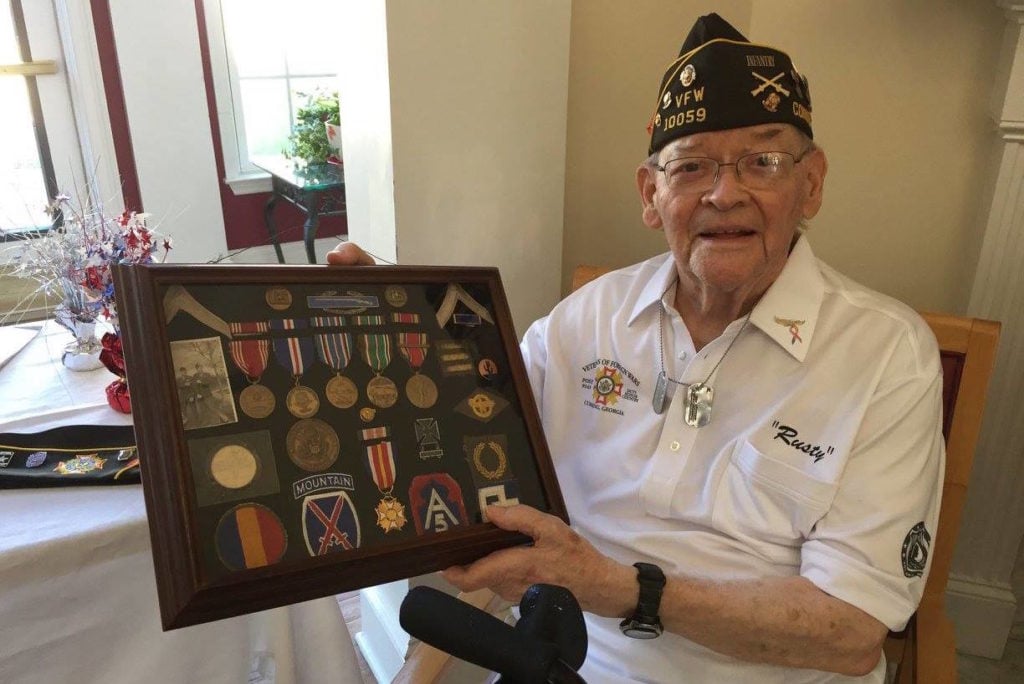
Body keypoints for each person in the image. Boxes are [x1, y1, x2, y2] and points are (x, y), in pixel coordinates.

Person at [329, 13, 943, 683]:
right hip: (565, 663)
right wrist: (394, 340)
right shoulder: (585, 320)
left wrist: (619, 588)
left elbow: (849, 633)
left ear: (811, 184)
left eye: (762, 162)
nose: (724, 192)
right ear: (653, 195)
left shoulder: (886, 354)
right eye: (692, 167)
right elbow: (475, 419)